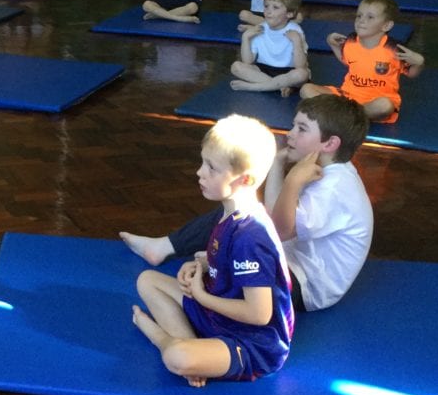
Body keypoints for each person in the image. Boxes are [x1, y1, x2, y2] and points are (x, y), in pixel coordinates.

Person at [122, 94, 372, 313]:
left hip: (308, 285)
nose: (290, 134)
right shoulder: (325, 168)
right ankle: (164, 247)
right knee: (236, 207)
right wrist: (277, 164)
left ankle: (203, 303)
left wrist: (292, 181)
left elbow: (279, 230)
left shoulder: (336, 188)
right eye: (293, 125)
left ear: (330, 143)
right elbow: (275, 215)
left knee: (240, 236)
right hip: (289, 258)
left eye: (302, 129)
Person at [132, 115, 293, 387]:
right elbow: (227, 260)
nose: (200, 172)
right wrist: (203, 266)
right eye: (203, 162)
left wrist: (201, 296)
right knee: (147, 280)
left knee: (177, 357)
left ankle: (160, 338)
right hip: (217, 315)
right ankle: (197, 350)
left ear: (245, 179)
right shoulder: (229, 212)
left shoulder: (251, 236)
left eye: (212, 168)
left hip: (251, 343)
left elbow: (259, 314)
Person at [300, 0, 424, 122]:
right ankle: (350, 116)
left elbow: (411, 73)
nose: (361, 21)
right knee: (307, 90)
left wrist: (419, 63)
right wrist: (332, 44)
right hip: (347, 96)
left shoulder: (394, 49)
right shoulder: (351, 41)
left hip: (374, 101)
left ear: (386, 26)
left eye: (370, 17)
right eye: (359, 16)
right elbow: (347, 60)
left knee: (385, 106)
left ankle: (343, 114)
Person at [230, 0, 310, 94]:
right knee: (236, 67)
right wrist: (245, 38)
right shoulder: (259, 29)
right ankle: (279, 86)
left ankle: (255, 87)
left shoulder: (295, 31)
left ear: (290, 13)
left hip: (288, 71)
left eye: (275, 7)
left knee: (302, 74)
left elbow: (300, 66)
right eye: (266, 6)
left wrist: (296, 42)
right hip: (264, 71)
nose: (268, 11)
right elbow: (247, 61)